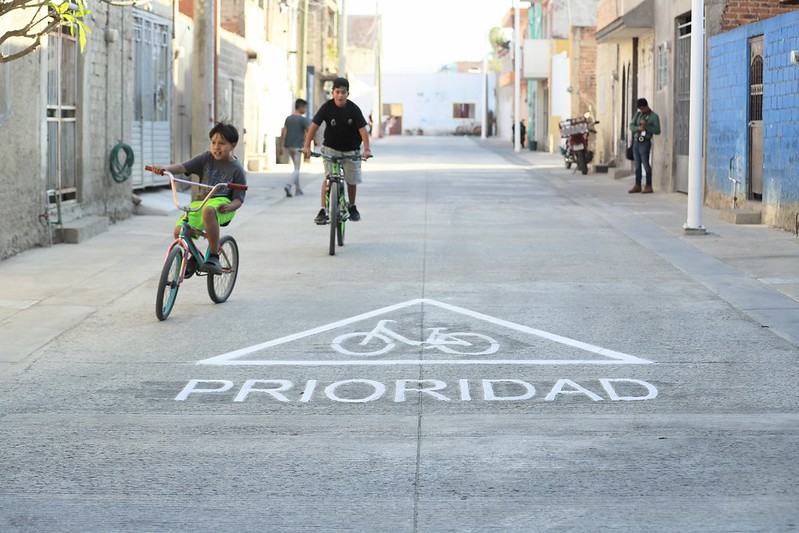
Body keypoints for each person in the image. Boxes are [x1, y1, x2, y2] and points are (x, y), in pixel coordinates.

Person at [150, 122, 246, 274]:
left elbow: (238, 199)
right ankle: (195, 257)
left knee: (208, 210)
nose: (216, 147)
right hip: (202, 202)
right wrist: (164, 169)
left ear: (233, 145)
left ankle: (214, 256)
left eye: (222, 143)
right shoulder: (206, 158)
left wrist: (229, 207)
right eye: (213, 143)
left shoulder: (237, 169)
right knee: (179, 231)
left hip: (223, 205)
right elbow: (182, 167)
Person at [302, 77, 372, 224]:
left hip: (350, 151)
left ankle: (352, 206)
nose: (340, 95)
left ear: (348, 94)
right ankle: (323, 209)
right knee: (328, 178)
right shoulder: (327, 107)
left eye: (343, 92)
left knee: (351, 181)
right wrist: (307, 146)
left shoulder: (353, 109)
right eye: (337, 92)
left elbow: (363, 131)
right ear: (333, 92)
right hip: (330, 150)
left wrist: (366, 149)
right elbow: (314, 126)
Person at [628, 98, 661, 194]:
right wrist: (639, 128)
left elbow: (657, 130)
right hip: (636, 141)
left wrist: (647, 127)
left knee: (645, 164)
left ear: (646, 106)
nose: (642, 111)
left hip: (645, 142)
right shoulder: (638, 115)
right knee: (637, 165)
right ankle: (637, 184)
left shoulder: (653, 116)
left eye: (643, 109)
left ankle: (648, 185)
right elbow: (631, 126)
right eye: (640, 109)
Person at [280, 98, 311, 197]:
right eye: (304, 107)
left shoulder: (288, 118)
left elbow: (283, 132)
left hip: (288, 146)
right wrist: (308, 145)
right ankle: (289, 185)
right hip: (298, 146)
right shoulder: (302, 119)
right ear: (300, 107)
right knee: (297, 169)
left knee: (295, 168)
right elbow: (309, 131)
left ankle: (298, 189)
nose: (305, 110)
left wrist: (280, 147)